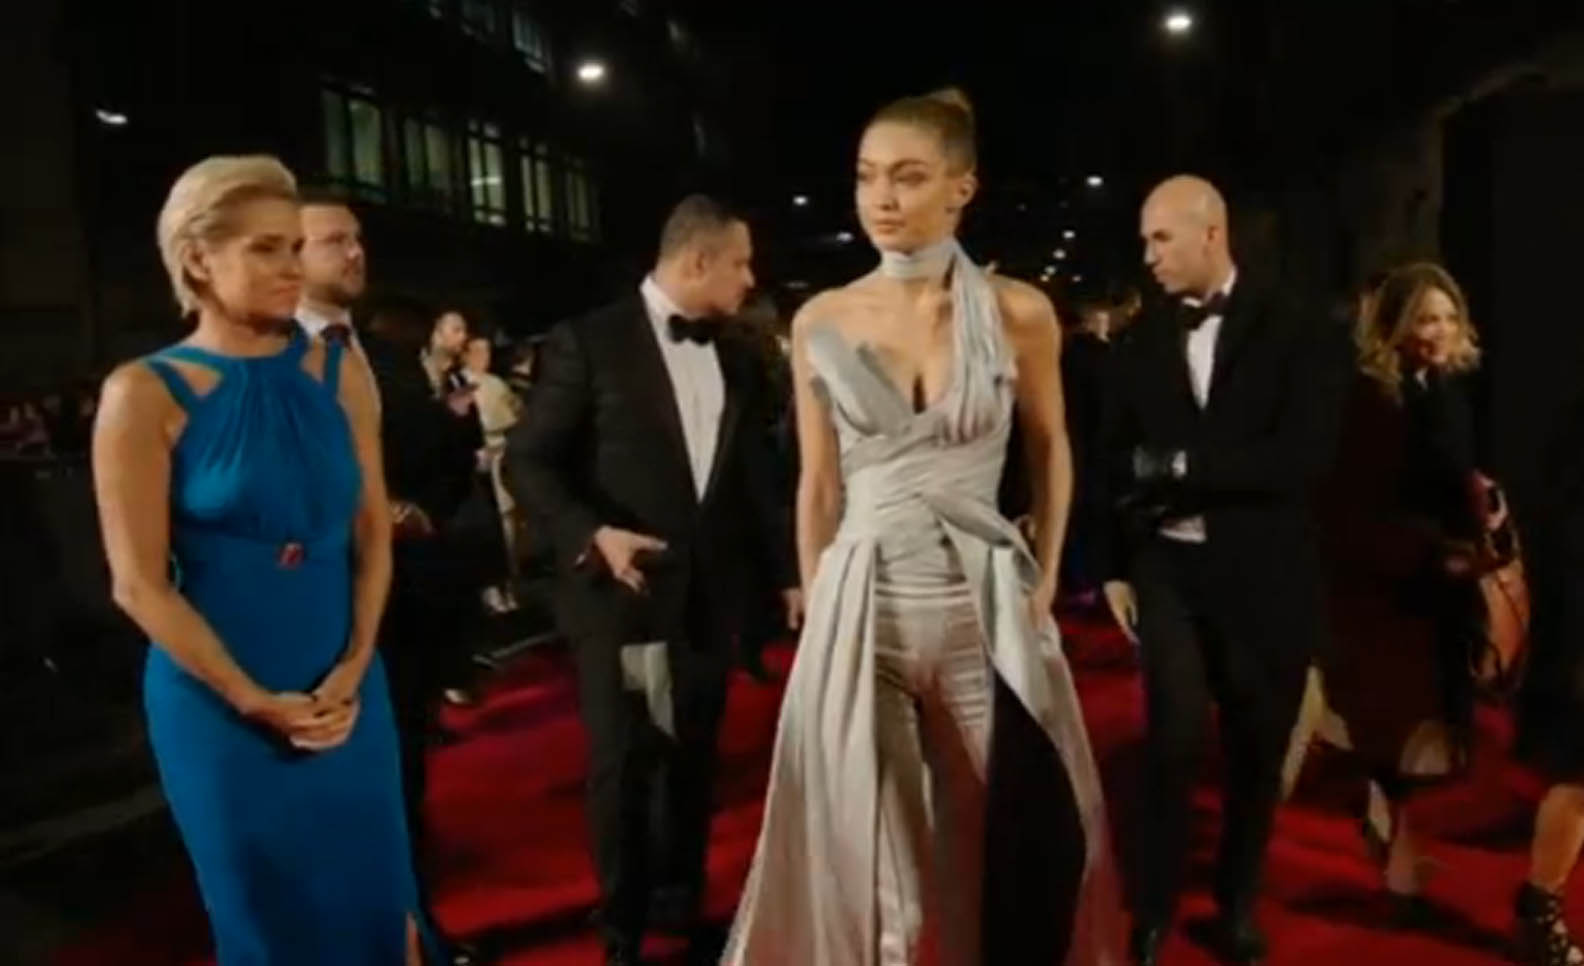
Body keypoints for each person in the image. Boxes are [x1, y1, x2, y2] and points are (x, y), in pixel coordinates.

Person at [723, 88, 1120, 966]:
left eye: (908, 177)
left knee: (998, 832)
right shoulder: (820, 319)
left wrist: (1047, 573)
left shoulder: (1020, 313)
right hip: (866, 603)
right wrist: (820, 589)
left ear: (962, 188)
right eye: (867, 178)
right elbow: (818, 482)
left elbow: (1053, 450)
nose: (882, 199)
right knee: (877, 850)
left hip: (983, 602)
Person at [91, 155, 432, 964]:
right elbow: (137, 584)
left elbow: (372, 532)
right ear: (197, 259)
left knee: (383, 910)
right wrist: (251, 698)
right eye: (266, 250)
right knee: (270, 926)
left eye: (293, 247)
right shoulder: (142, 393)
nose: (292, 269)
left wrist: (354, 663)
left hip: (347, 691)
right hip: (216, 705)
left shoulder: (338, 367)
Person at [507, 194, 800, 966]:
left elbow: (753, 481)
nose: (750, 278)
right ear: (696, 259)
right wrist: (590, 535)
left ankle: (681, 905)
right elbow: (528, 459)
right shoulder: (588, 342)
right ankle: (621, 930)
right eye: (739, 262)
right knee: (624, 764)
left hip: (708, 596)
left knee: (695, 757)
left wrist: (788, 576)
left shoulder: (736, 354)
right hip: (618, 597)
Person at [1095, 175, 1349, 965]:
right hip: (1167, 567)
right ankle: (1153, 911)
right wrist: (1114, 562)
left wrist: (1178, 464)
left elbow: (1303, 460)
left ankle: (1236, 905)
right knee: (1169, 743)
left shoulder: (1298, 330)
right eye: (1143, 240)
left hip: (1265, 573)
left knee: (1255, 746)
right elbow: (1112, 457)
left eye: (1160, 239)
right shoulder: (1138, 343)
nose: (1148, 255)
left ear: (1212, 234)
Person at [1308, 262, 1490, 918]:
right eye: (1424, 319)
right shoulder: (1369, 398)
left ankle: (1392, 829)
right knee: (1402, 730)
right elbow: (1350, 503)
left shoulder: (1444, 388)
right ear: (1394, 327)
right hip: (1380, 592)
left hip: (1438, 589)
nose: (1438, 331)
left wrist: (1478, 513)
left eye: (1447, 317)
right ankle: (1401, 855)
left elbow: (1450, 474)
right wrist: (1431, 549)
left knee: (1426, 732)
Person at [463, 333, 522, 613]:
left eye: (487, 351)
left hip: (501, 455)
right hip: (476, 459)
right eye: (477, 351)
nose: (483, 357)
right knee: (487, 526)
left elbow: (515, 414)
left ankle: (510, 581)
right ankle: (490, 587)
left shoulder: (496, 383)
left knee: (508, 523)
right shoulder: (461, 382)